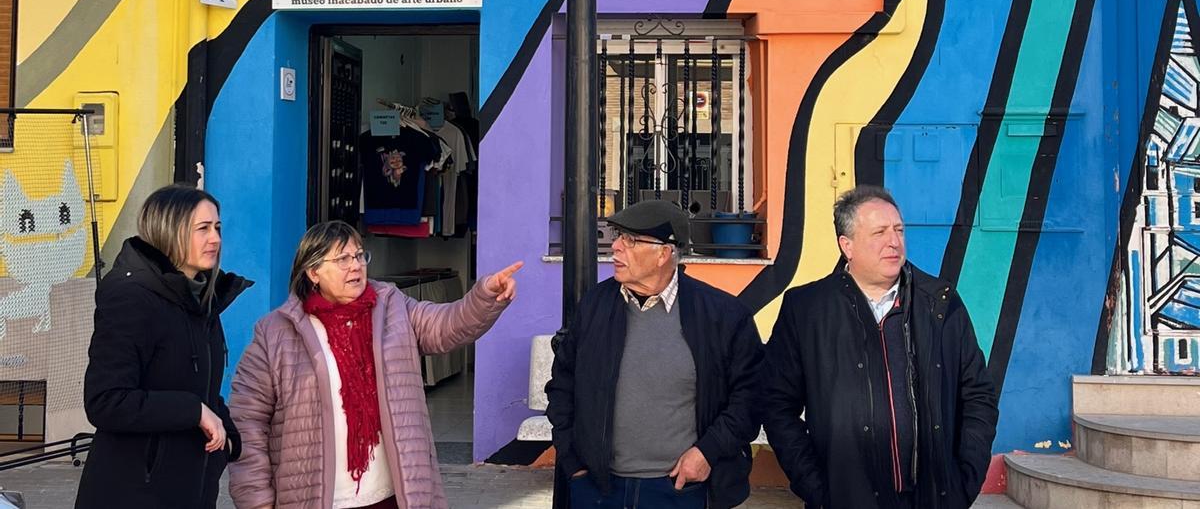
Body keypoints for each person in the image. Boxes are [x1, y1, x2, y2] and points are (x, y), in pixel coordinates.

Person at [228, 220, 521, 509]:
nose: (355, 266)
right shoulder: (275, 333)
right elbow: (247, 420)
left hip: (391, 496)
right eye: (342, 258)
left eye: (359, 255)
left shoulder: (391, 306)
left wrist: (485, 296)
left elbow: (446, 325)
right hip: (313, 499)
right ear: (313, 271)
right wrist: (256, 501)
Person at [762, 185, 998, 509]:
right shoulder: (807, 310)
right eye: (879, 232)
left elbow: (978, 396)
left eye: (899, 230)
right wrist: (817, 487)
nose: (894, 242)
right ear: (848, 246)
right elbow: (776, 405)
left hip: (930, 499)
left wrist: (962, 482)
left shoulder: (940, 304)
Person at [545, 200, 764, 509]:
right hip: (597, 489)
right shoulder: (595, 306)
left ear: (664, 253)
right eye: (618, 235)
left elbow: (751, 398)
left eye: (630, 240)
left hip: (680, 490)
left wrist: (707, 452)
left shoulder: (723, 315)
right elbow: (562, 386)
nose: (616, 247)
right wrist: (573, 463)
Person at [75, 184, 251, 509]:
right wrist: (194, 411)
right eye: (202, 229)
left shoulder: (201, 298)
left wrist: (229, 435)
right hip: (132, 493)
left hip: (191, 488)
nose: (215, 239)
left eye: (217, 228)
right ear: (169, 232)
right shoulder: (131, 298)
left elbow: (203, 388)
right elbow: (105, 401)